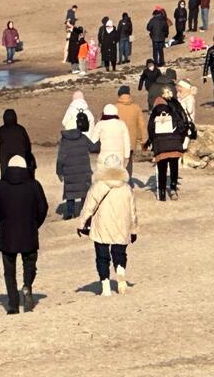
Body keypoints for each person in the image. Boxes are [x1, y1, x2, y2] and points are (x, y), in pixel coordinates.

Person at [0, 155, 48, 315]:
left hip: (7, 234)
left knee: (9, 271)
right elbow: (43, 208)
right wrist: (34, 224)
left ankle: (13, 305)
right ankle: (27, 285)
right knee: (30, 264)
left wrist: (1, 224)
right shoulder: (34, 185)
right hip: (29, 232)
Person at [75, 154, 138, 297]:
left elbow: (88, 207)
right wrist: (134, 230)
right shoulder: (127, 188)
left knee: (102, 256)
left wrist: (81, 223)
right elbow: (132, 212)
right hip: (122, 226)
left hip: (102, 226)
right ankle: (120, 272)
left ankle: (105, 286)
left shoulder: (98, 186)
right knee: (119, 253)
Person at [145, 87, 186, 201]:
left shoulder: (155, 111)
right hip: (174, 143)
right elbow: (182, 125)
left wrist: (153, 142)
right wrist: (179, 140)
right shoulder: (175, 107)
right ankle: (173, 189)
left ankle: (162, 193)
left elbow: (150, 128)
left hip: (160, 144)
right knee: (174, 166)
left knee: (162, 168)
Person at [57, 114, 100, 220]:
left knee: (70, 194)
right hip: (83, 172)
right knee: (84, 192)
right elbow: (94, 148)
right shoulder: (83, 138)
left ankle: (70, 213)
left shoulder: (64, 141)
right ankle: (84, 211)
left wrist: (59, 171)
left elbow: (60, 158)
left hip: (69, 173)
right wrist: (101, 139)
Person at [115, 86, 147, 185]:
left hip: (117, 139)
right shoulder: (136, 108)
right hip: (131, 140)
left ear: (119, 95)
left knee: (117, 161)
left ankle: (118, 181)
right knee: (128, 161)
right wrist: (143, 139)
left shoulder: (114, 108)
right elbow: (142, 125)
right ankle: (128, 181)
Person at [0, 108, 33, 177]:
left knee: (6, 180)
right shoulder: (21, 129)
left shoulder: (1, 131)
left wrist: (1, 160)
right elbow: (27, 146)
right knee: (21, 177)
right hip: (20, 159)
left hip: (5, 161)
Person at [89, 104, 131, 168]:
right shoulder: (122, 124)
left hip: (104, 156)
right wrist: (127, 156)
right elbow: (127, 142)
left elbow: (93, 140)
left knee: (104, 173)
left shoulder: (100, 124)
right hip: (119, 156)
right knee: (117, 173)